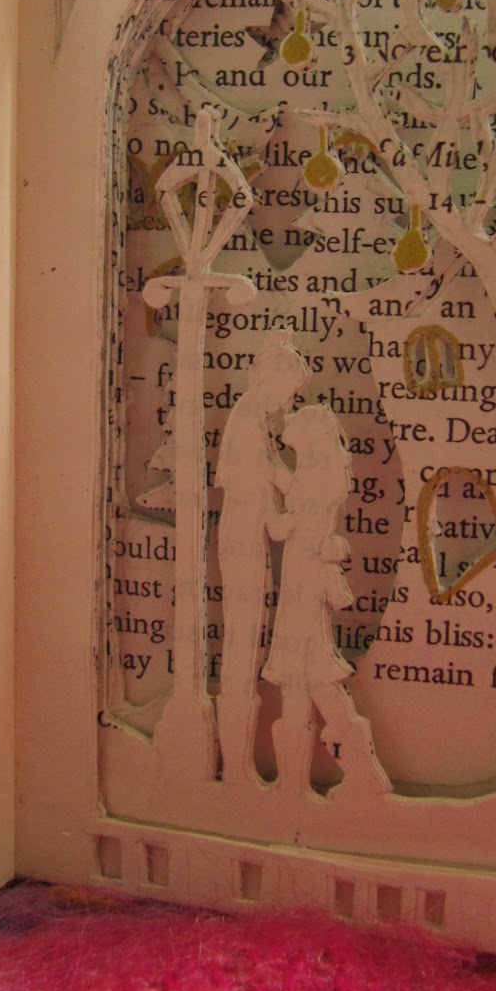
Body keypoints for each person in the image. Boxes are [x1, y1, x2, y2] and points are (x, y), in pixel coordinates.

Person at [262, 403, 391, 799]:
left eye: (295, 427)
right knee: (300, 681)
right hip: (303, 586)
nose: (288, 428)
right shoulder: (316, 479)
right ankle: (293, 782)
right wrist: (268, 464)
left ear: (310, 439)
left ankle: (359, 776)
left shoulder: (314, 486)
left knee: (311, 676)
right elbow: (287, 484)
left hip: (305, 589)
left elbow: (280, 527)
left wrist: (264, 500)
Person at [214, 331, 307, 786]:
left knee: (247, 640)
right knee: (243, 642)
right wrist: (288, 512)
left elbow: (271, 472)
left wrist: (297, 489)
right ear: (266, 380)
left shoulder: (252, 418)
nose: (287, 404)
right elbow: (259, 483)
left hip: (247, 535)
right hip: (243, 538)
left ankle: (238, 763)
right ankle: (235, 765)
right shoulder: (248, 420)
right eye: (286, 393)